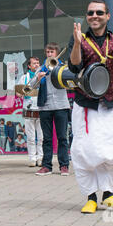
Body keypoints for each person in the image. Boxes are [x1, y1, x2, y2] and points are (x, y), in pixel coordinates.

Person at [68, 0, 113, 214]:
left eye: (98, 12)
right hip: (86, 104)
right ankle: (90, 197)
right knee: (85, 152)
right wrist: (77, 43)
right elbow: (74, 64)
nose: (94, 16)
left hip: (111, 101)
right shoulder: (79, 36)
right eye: (90, 13)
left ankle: (108, 194)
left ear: (107, 16)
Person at [35, 43, 71, 176]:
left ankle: (64, 166)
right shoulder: (41, 68)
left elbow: (69, 83)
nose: (49, 54)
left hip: (61, 105)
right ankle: (46, 166)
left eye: (52, 52)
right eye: (48, 52)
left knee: (62, 137)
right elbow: (32, 86)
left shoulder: (63, 67)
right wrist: (38, 78)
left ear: (57, 53)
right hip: (45, 106)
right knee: (47, 138)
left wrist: (57, 71)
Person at [17, 56, 44, 167]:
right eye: (34, 63)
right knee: (31, 137)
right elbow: (18, 94)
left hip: (41, 108)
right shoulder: (24, 78)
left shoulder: (43, 77)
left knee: (41, 137)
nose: (36, 65)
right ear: (29, 66)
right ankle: (32, 158)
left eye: (38, 63)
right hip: (29, 109)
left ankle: (41, 157)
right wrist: (26, 91)